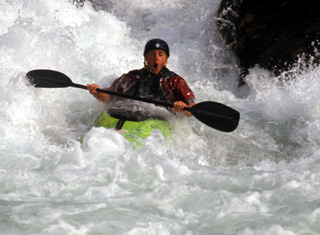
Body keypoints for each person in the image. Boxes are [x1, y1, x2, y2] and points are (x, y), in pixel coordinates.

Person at [87, 38, 195, 128]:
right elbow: (110, 96)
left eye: (160, 54)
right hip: (125, 115)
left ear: (166, 58)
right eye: (152, 54)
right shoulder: (132, 77)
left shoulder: (175, 80)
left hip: (159, 120)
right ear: (145, 57)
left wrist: (183, 108)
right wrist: (97, 92)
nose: (156, 58)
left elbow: (191, 106)